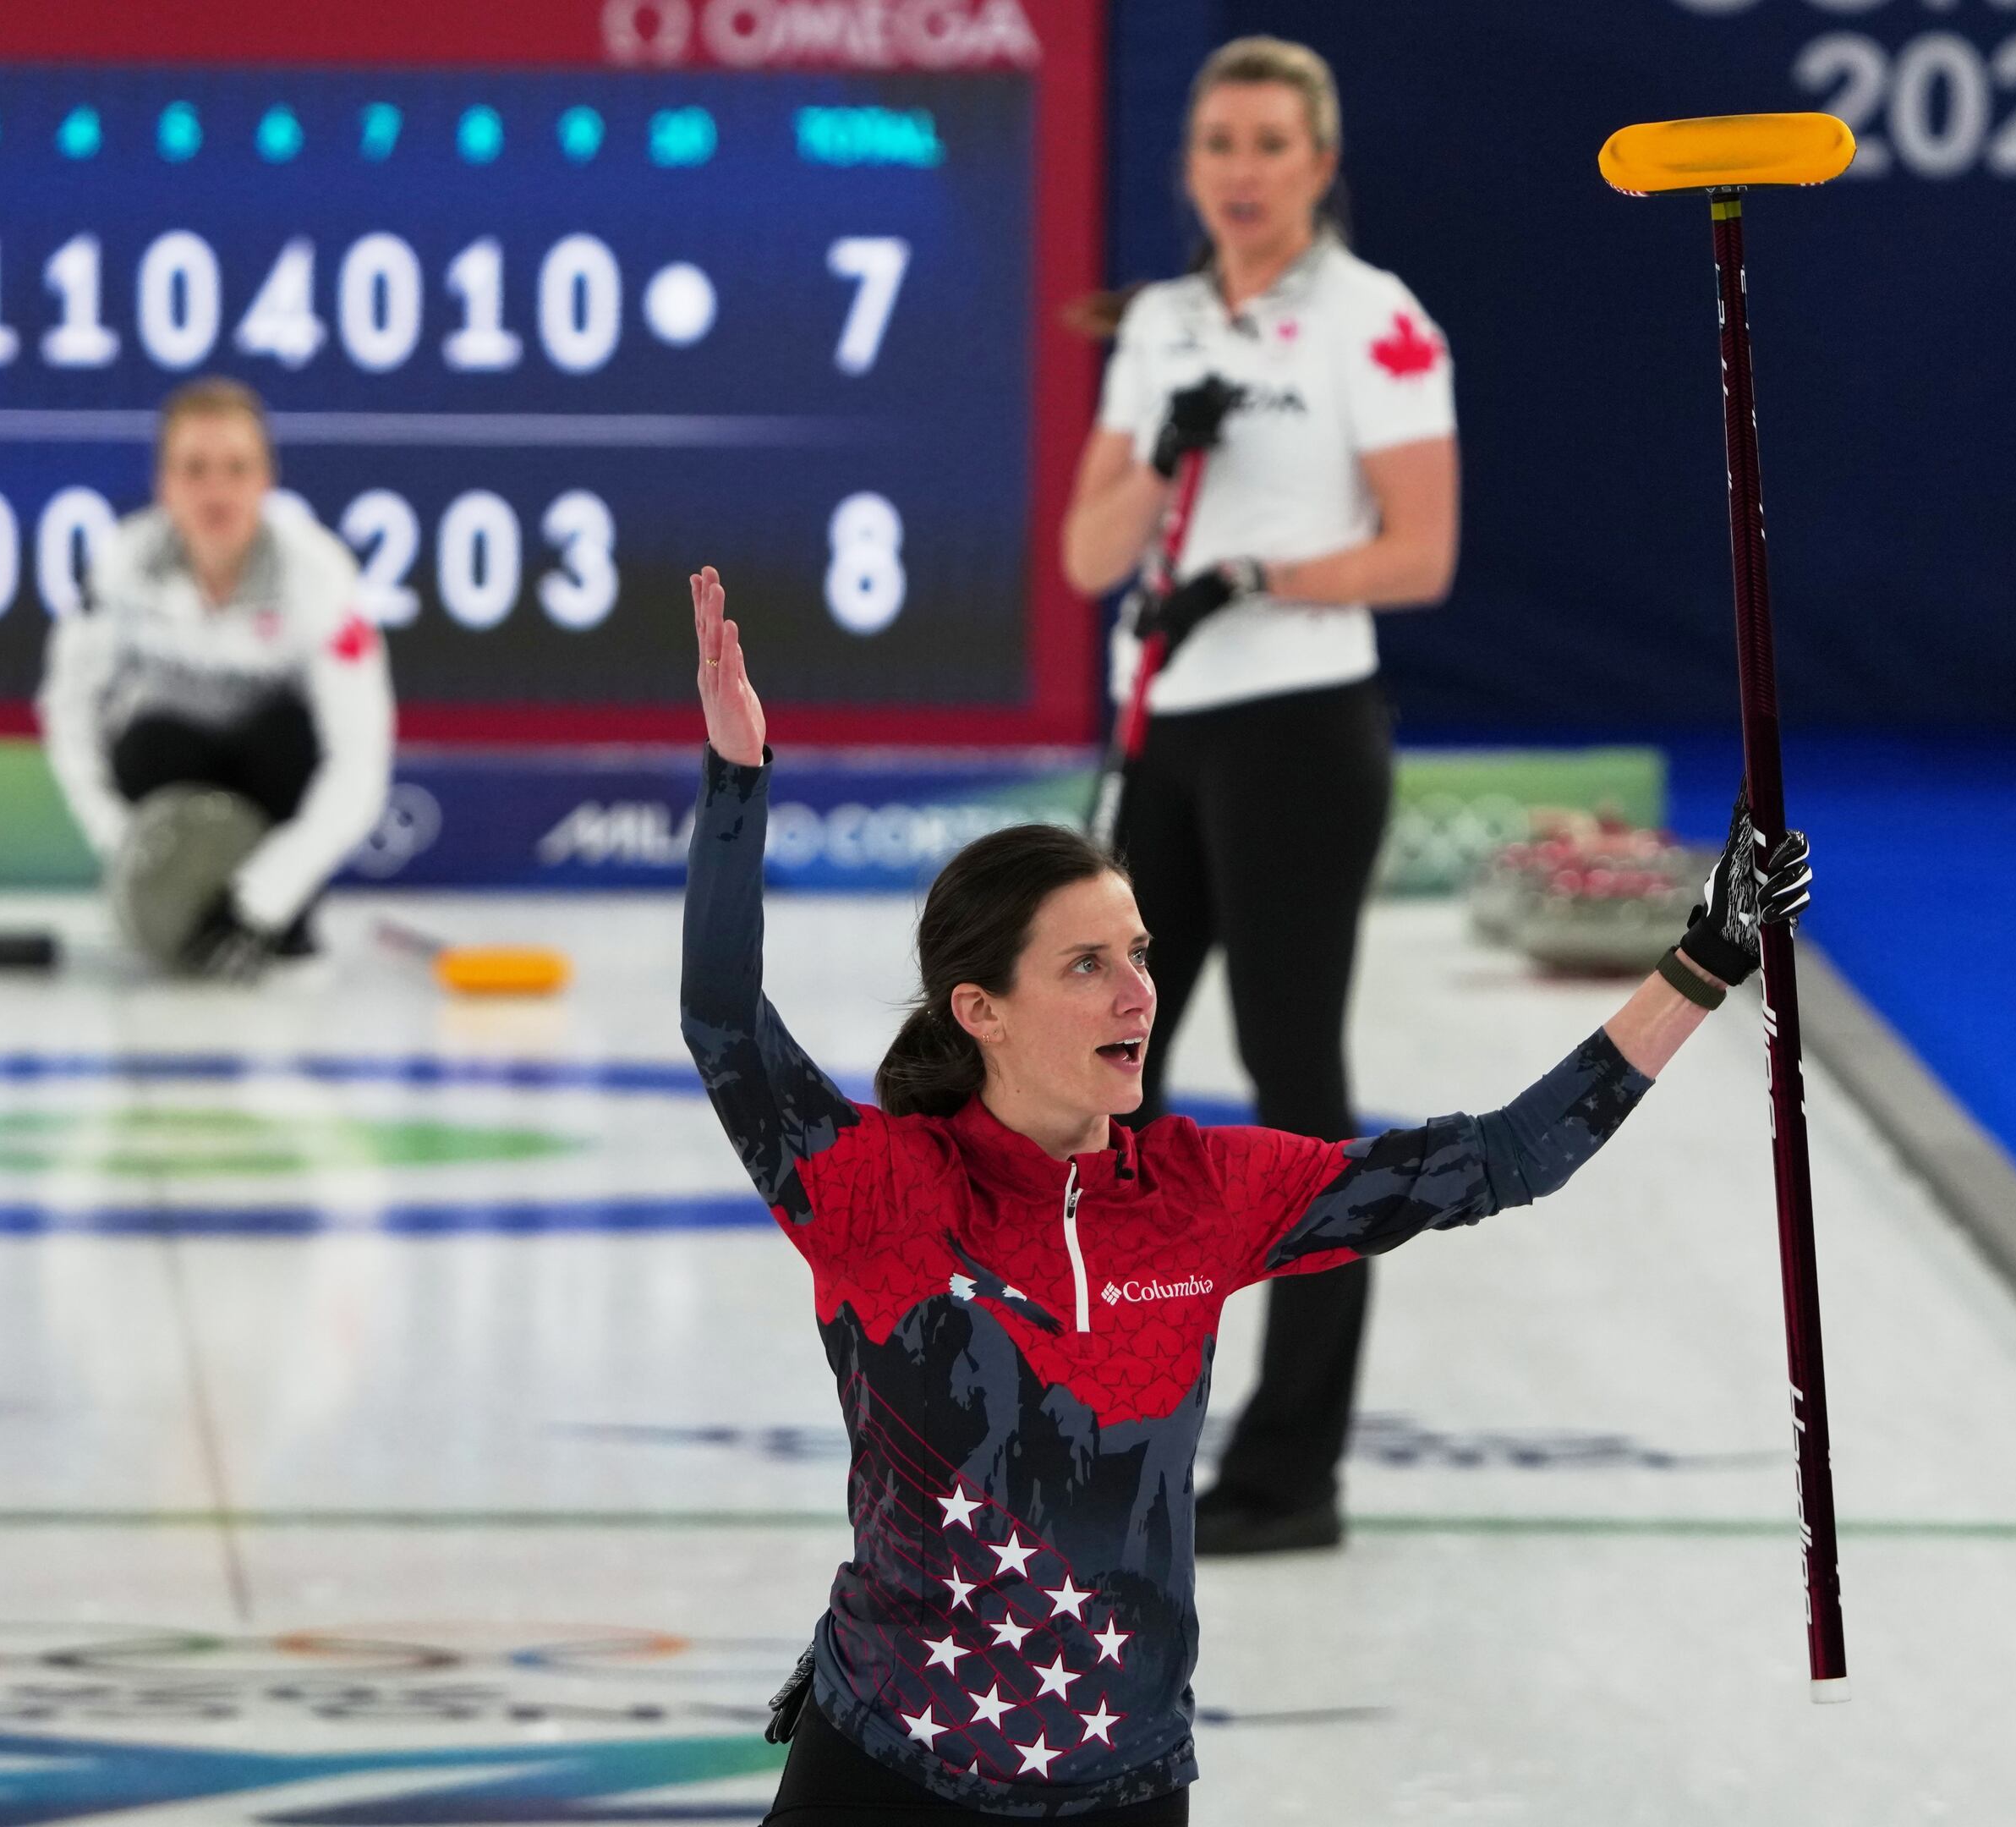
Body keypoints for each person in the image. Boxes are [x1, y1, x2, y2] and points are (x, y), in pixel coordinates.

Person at [680, 564, 1805, 1819]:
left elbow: (1500, 1161)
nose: (1138, 993)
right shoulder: (875, 1188)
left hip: (1124, 1782)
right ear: (980, 1010)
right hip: (884, 1765)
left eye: (1143, 956)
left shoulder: (1207, 1191)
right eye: (1090, 965)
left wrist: (1705, 961)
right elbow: (722, 1016)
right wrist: (738, 782)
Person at [1055, 37, 1458, 1552]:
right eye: (1217, 141)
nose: (1241, 169)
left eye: (1270, 144)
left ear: (1318, 162)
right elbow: (1090, 560)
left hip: (1299, 730)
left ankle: (1292, 1475)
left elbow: (1419, 553)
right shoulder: (1158, 324)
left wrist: (1253, 571)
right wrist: (1167, 465)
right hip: (1161, 727)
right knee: (1107, 1095)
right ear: (1190, 165)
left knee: (1294, 1099)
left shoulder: (1379, 322)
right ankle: (1112, 1431)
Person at [41, 381, 397, 979]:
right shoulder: (120, 570)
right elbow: (68, 714)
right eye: (195, 469)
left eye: (236, 469)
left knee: (286, 739)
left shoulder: (320, 579)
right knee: (148, 740)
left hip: (274, 780)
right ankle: (178, 912)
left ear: (266, 481)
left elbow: (360, 759)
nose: (216, 491)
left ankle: (275, 922)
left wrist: (264, 896)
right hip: (172, 777)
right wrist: (124, 848)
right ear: (165, 485)